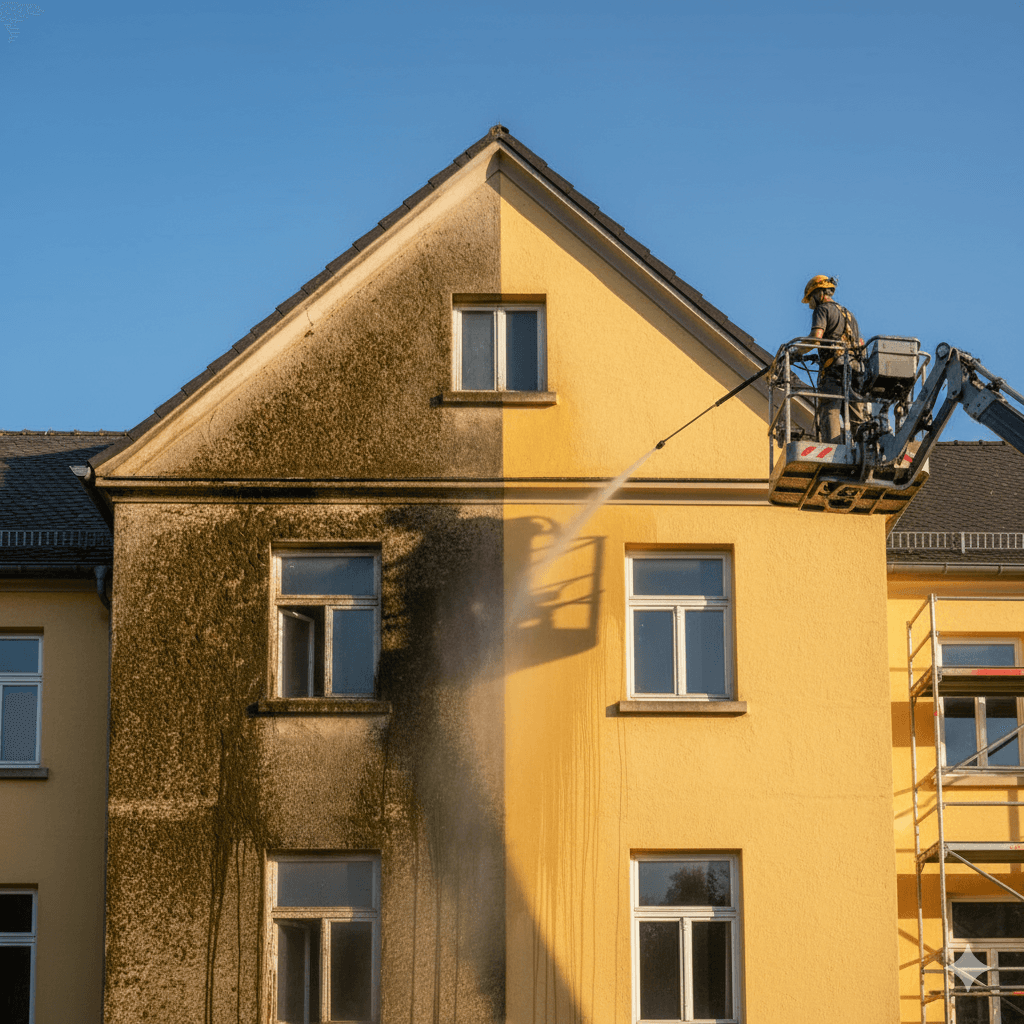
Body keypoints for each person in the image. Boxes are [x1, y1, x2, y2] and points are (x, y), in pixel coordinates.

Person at [802, 275, 867, 443]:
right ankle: (864, 448)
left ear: (819, 293)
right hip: (856, 370)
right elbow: (857, 343)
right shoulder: (849, 314)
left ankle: (832, 451)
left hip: (834, 370)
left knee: (829, 409)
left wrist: (796, 351)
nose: (811, 304)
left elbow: (816, 337)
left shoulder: (822, 309)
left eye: (811, 298)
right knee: (856, 414)